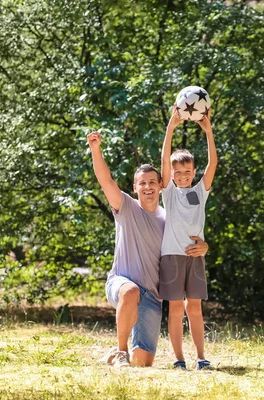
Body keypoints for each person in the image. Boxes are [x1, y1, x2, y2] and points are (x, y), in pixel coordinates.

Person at [87, 131, 208, 368]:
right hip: (121, 284)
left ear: (161, 184)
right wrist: (96, 150)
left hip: (152, 297)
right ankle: (121, 351)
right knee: (130, 291)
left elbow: (189, 245)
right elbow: (106, 180)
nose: (148, 187)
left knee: (143, 363)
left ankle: (118, 353)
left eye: (152, 182)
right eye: (142, 183)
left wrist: (204, 246)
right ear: (135, 187)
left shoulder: (169, 218)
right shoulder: (126, 207)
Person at [159, 105, 217, 370]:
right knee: (174, 309)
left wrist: (209, 132)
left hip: (195, 257)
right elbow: (165, 161)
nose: (182, 176)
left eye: (187, 172)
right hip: (172, 256)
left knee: (194, 308)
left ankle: (201, 358)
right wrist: (170, 128)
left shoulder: (199, 191)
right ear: (172, 175)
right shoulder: (168, 191)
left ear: (193, 172)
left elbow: (213, 163)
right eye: (177, 172)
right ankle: (179, 359)